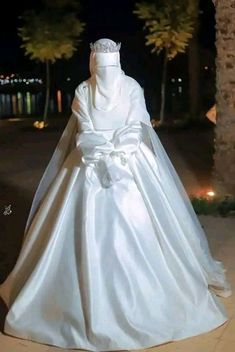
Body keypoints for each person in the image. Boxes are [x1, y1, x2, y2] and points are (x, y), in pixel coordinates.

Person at [0, 38, 232, 351]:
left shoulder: (131, 87)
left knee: (144, 226)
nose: (105, 73)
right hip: (89, 162)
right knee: (74, 229)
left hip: (130, 161)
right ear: (94, 64)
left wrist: (119, 147)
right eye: (101, 66)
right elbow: (84, 127)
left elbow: (137, 124)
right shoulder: (84, 90)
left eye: (110, 66)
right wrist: (99, 148)